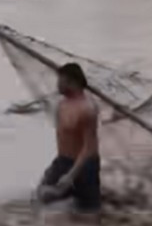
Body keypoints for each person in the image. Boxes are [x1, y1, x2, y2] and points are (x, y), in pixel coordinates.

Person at [33, 62, 101, 213]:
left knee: (89, 214)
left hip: (84, 166)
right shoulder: (62, 105)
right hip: (62, 161)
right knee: (42, 196)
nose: (57, 84)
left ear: (71, 81)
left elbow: (89, 146)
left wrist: (71, 175)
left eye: (60, 80)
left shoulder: (87, 109)